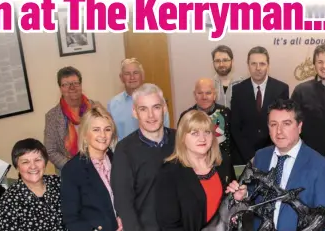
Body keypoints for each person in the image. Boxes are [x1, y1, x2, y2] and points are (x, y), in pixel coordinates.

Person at [226, 99, 325, 231]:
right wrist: (243, 196)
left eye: (286, 124)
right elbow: (254, 196)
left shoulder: (321, 166)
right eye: (274, 124)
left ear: (299, 126)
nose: (279, 131)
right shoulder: (261, 157)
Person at [154, 110, 237, 230]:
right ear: (182, 137)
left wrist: (238, 197)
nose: (202, 138)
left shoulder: (223, 162)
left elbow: (229, 206)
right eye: (195, 133)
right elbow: (168, 225)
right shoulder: (169, 172)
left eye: (207, 132)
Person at [111, 83, 177, 231]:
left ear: (164, 109)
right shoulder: (124, 150)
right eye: (143, 109)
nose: (151, 115)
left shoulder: (180, 140)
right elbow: (123, 203)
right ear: (134, 112)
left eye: (156, 107)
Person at [61, 105, 123, 231]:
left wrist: (124, 217)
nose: (103, 135)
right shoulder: (72, 170)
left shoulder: (120, 160)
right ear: (85, 134)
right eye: (96, 130)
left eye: (107, 129)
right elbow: (71, 219)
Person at [230, 46, 289, 164]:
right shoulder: (238, 90)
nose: (258, 68)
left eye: (262, 64)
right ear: (248, 65)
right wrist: (250, 156)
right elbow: (235, 127)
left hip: (273, 154)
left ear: (268, 65)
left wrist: (269, 154)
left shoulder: (281, 89)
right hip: (245, 157)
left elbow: (283, 125)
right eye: (254, 64)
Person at [0, 138, 66, 231]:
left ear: (45, 162)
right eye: (25, 162)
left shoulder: (60, 183)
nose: (33, 166)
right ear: (17, 167)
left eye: (37, 160)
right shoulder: (8, 201)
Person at [44, 66, 99, 173]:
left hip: (98, 167)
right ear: (60, 88)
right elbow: (50, 150)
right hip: (69, 171)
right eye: (66, 84)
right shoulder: (52, 116)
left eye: (75, 83)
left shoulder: (95, 108)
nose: (72, 87)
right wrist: (73, 166)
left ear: (81, 85)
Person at [109, 58, 170, 141]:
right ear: (121, 78)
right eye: (127, 74)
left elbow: (165, 129)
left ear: (143, 76)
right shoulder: (113, 104)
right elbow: (111, 135)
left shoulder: (157, 100)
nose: (132, 77)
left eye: (136, 73)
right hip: (124, 151)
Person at [179, 77, 236, 167]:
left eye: (208, 93)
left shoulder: (226, 113)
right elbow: (180, 146)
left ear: (214, 95)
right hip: (193, 167)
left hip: (224, 165)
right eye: (200, 93)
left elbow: (233, 143)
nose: (204, 97)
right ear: (194, 95)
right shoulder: (186, 117)